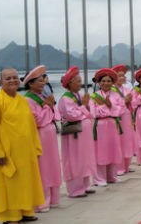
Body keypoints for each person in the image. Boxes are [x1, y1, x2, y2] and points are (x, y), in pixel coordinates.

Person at [0, 68, 44, 223]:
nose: (12, 81)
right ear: (1, 82)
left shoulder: (22, 100)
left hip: (25, 151)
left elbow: (30, 126)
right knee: (9, 184)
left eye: (15, 78)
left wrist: (36, 147)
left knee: (25, 182)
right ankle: (10, 216)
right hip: (7, 151)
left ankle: (26, 210)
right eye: (8, 78)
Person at [23, 65, 61, 213]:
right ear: (30, 84)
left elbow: (56, 116)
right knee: (43, 167)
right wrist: (47, 107)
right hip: (39, 136)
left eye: (43, 80)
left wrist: (50, 106)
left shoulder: (42, 97)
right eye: (39, 81)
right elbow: (36, 120)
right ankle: (41, 201)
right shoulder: (28, 100)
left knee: (52, 165)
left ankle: (53, 197)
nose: (43, 83)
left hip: (49, 135)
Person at [58, 66, 97, 198]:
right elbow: (71, 115)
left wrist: (85, 107)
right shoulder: (65, 98)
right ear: (69, 83)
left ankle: (85, 185)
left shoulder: (78, 96)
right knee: (74, 159)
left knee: (85, 158)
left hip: (84, 133)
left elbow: (89, 111)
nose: (80, 84)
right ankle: (75, 189)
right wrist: (84, 107)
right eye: (77, 81)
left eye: (80, 81)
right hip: (74, 134)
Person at [90, 68, 123, 186]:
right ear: (98, 83)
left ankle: (112, 176)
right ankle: (99, 178)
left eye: (109, 81)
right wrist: (107, 107)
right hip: (100, 125)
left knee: (113, 149)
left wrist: (110, 106)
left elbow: (121, 109)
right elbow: (93, 113)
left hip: (112, 124)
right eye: (103, 81)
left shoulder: (116, 95)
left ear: (112, 82)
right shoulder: (94, 96)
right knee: (101, 151)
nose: (106, 83)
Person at [111, 64, 135, 175]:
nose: (122, 78)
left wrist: (129, 102)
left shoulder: (126, 89)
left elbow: (131, 103)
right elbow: (112, 105)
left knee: (127, 140)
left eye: (123, 76)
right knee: (119, 141)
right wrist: (124, 101)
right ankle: (119, 167)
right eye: (119, 76)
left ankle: (126, 165)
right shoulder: (112, 90)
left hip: (126, 116)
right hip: (118, 117)